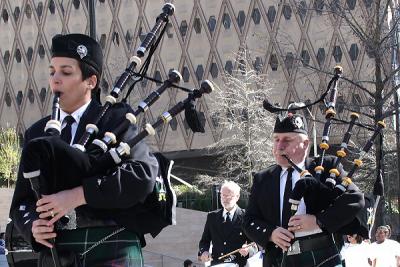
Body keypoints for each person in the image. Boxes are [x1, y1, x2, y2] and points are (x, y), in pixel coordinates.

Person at [9, 33, 159, 266]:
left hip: (110, 242)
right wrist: (33, 227)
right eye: (52, 72)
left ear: (91, 81)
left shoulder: (116, 120)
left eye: (66, 72)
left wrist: (79, 195)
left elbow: (142, 175)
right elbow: (22, 201)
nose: (55, 79)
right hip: (57, 252)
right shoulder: (37, 132)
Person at [243, 113, 365, 267]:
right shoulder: (262, 178)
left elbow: (355, 199)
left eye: (287, 140)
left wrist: (319, 221)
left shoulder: (327, 166)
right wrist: (270, 233)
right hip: (278, 259)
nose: (279, 146)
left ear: (306, 144)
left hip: (322, 257)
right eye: (276, 139)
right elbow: (249, 220)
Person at [198, 181, 256, 267]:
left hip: (239, 264)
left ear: (237, 197)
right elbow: (204, 241)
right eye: (223, 195)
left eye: (229, 196)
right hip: (217, 264)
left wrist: (248, 249)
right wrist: (204, 251)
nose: (225, 199)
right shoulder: (212, 217)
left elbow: (255, 244)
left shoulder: (246, 216)